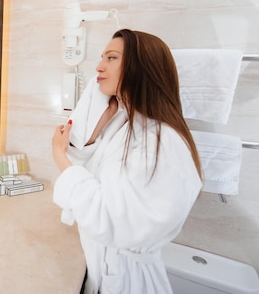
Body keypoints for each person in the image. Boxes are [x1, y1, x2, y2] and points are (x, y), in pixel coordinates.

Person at [51, 29, 202, 294]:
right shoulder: (126, 123)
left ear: (140, 68)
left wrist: (60, 157)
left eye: (111, 58)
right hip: (106, 270)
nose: (99, 66)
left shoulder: (163, 143)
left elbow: (109, 217)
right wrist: (99, 125)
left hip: (130, 284)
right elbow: (98, 174)